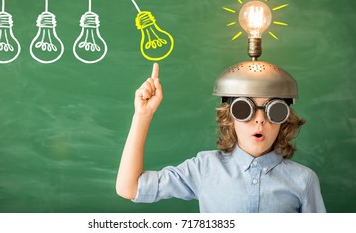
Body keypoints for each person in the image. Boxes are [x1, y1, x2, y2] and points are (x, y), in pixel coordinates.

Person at [116, 63, 326, 213]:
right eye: (245, 109)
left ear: (284, 118)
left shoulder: (303, 180)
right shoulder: (204, 169)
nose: (260, 120)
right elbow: (129, 188)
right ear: (230, 117)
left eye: (274, 111)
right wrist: (142, 115)